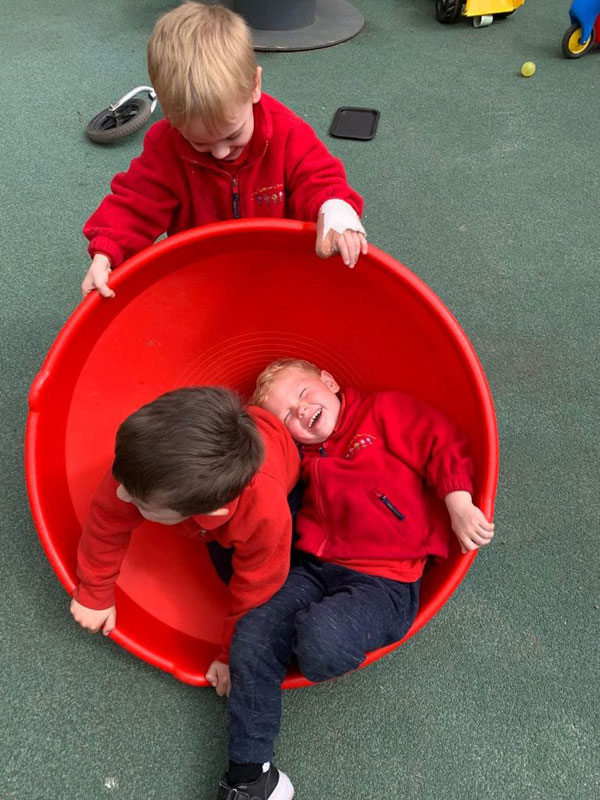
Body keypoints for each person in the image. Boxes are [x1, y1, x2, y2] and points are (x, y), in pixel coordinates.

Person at [215, 359, 494, 800]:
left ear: (329, 381)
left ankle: (284, 651)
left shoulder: (381, 414)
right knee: (251, 635)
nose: (301, 411)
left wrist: (458, 502)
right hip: (312, 572)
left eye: (304, 394)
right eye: (287, 416)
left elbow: (438, 440)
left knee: (319, 638)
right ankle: (249, 778)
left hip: (384, 581)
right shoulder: (299, 460)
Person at [82, 2, 367, 300]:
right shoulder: (167, 145)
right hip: (203, 272)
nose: (219, 153)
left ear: (254, 85)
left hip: (277, 269)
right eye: (200, 144)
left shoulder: (285, 132)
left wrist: (335, 209)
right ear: (170, 116)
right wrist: (106, 253)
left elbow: (318, 177)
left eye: (233, 136)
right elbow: (136, 203)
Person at [69, 386, 300, 696]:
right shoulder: (143, 470)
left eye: (140, 503)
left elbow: (257, 588)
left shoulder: (265, 514)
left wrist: (233, 654)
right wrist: (95, 591)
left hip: (283, 465)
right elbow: (106, 519)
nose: (121, 494)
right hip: (228, 449)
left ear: (208, 512)